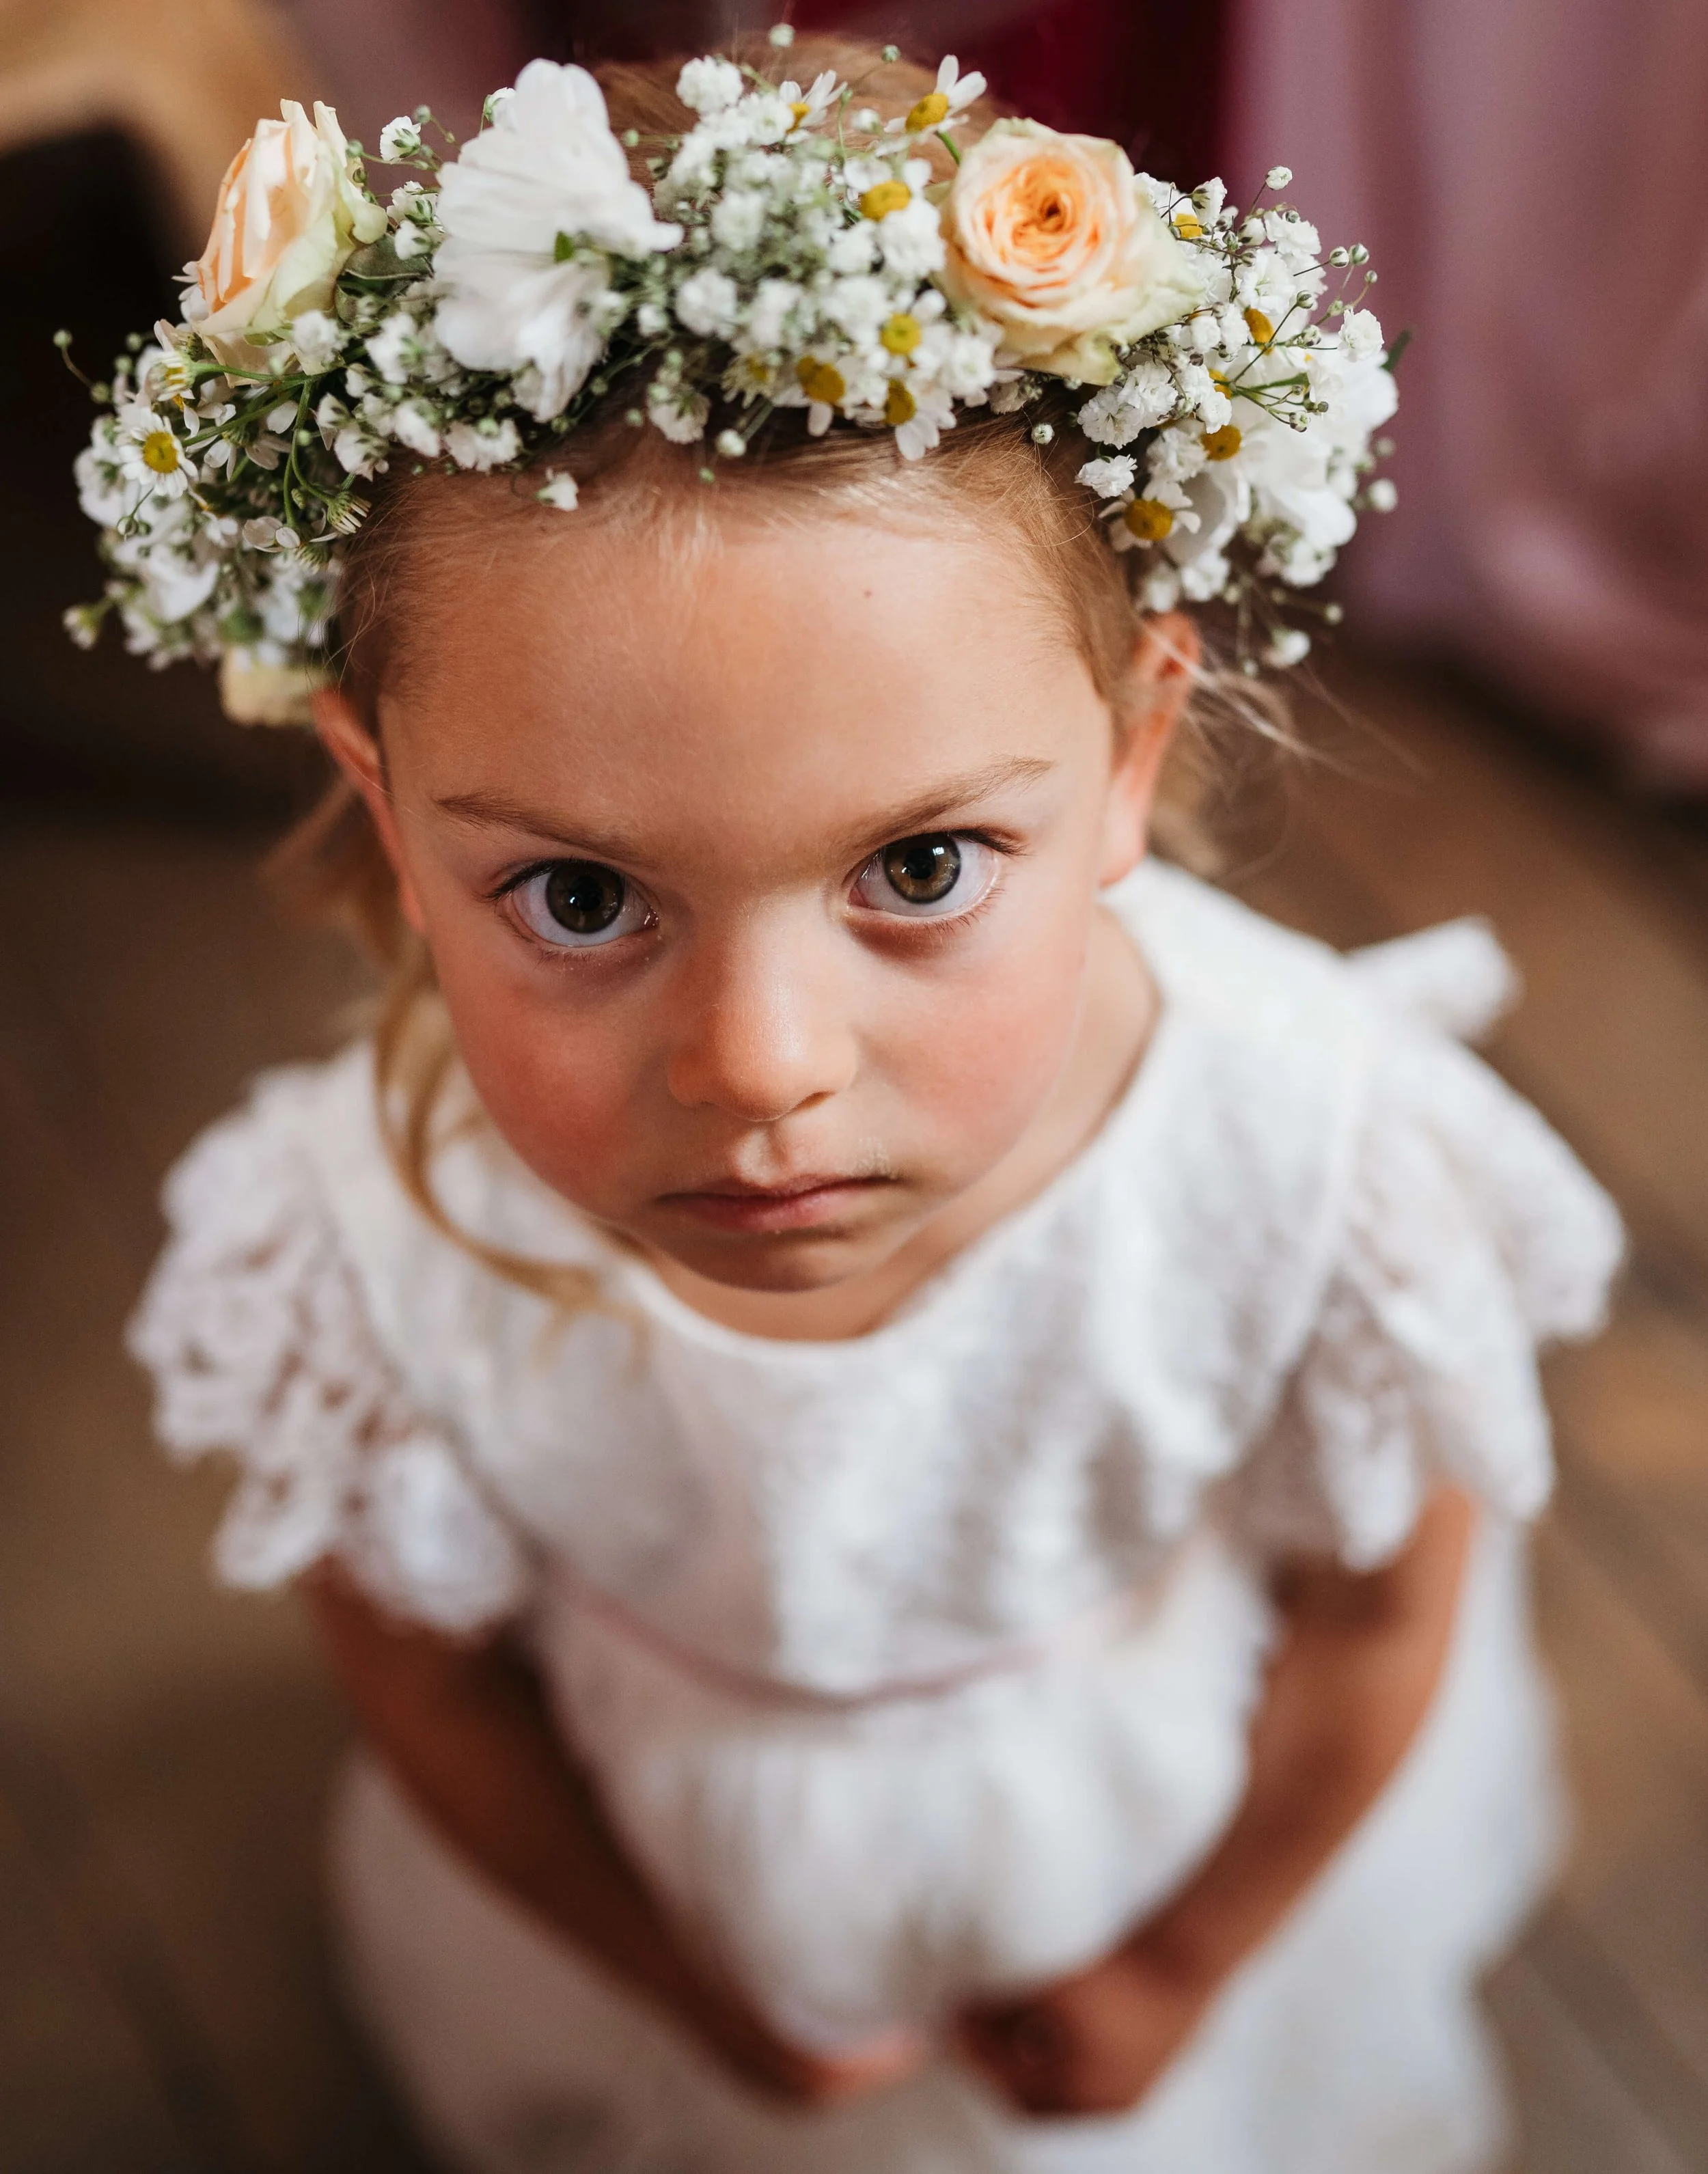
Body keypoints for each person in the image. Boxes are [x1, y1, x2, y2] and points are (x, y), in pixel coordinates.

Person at [96, 33, 1623, 2174]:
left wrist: (1189, 1961)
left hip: (1148, 1853)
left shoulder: (1311, 1155)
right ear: (380, 794)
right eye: (580, 893)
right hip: (665, 1919)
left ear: (1119, 754)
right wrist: (677, 1981)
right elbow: (433, 1691)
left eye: (914, 869)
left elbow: (1382, 1612)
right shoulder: (362, 1235)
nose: (757, 1065)